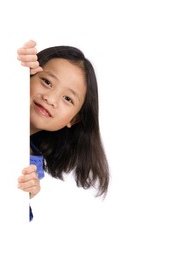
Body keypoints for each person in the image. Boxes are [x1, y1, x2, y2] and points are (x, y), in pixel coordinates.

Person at [16, 40, 109, 221]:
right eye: (47, 82)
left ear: (73, 119)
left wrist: (21, 199)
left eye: (67, 98)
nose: (51, 99)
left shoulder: (32, 165)